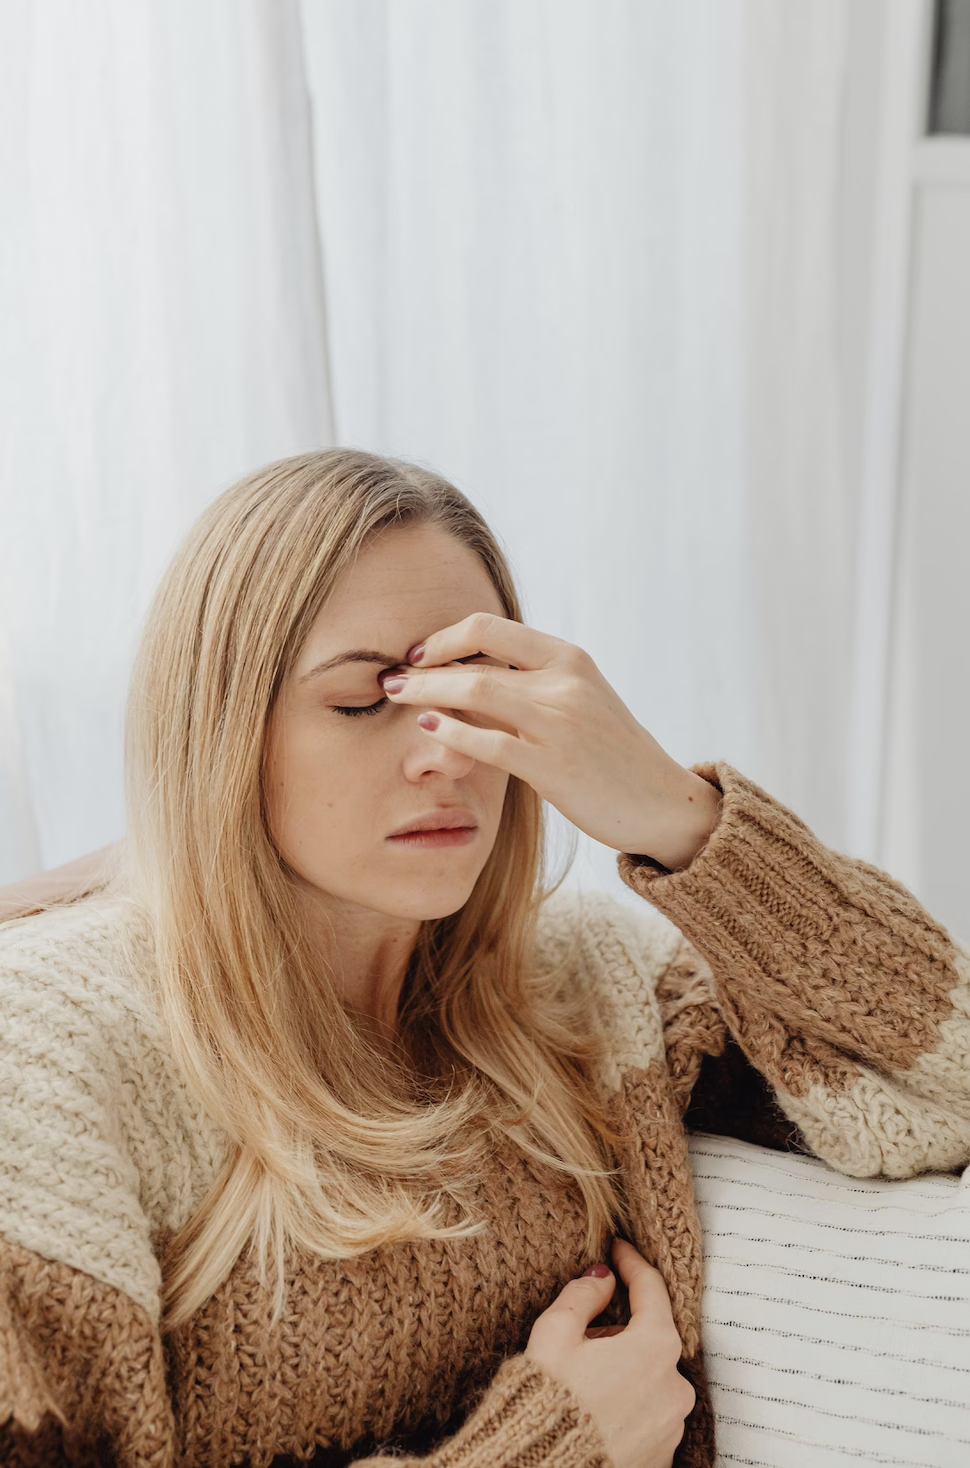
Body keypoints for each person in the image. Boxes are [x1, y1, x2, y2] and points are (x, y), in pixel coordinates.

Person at [0, 448, 967, 1468]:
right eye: (364, 700)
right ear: (222, 729)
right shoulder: (47, 1057)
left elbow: (942, 1087)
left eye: (478, 691)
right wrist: (550, 1450)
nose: (449, 752)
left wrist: (677, 816)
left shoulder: (594, 988)